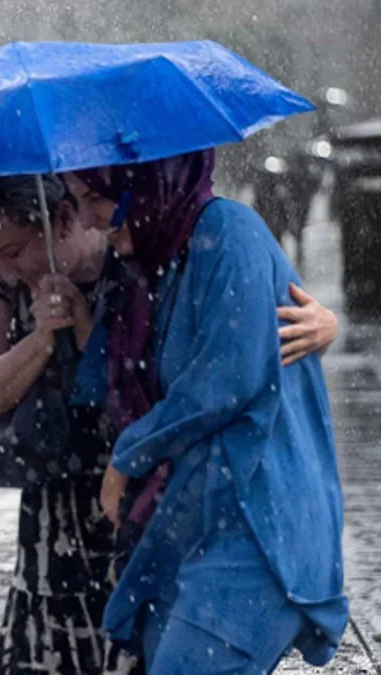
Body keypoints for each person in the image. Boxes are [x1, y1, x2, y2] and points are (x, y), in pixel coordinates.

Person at [0, 172, 339, 675]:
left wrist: (324, 324)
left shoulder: (140, 247)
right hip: (62, 494)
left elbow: (221, 355)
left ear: (60, 222)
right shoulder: (6, 275)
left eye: (12, 250)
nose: (1, 267)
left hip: (144, 489)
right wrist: (42, 337)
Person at [68, 151, 348, 674]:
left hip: (258, 530)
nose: (86, 219)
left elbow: (226, 378)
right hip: (198, 524)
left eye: (95, 199)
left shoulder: (228, 230)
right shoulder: (157, 264)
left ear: (145, 184)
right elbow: (109, 383)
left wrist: (129, 456)